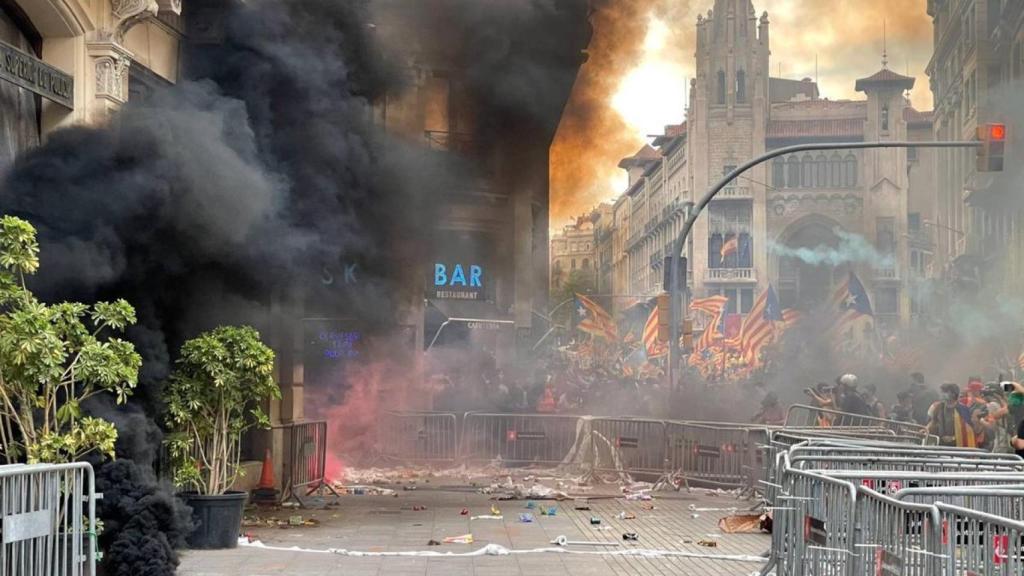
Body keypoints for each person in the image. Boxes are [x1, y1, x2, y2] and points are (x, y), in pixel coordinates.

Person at [927, 383, 980, 448]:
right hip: (939, 444)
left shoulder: (962, 409)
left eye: (945, 392)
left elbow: (968, 430)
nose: (942, 394)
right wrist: (926, 429)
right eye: (942, 392)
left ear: (953, 394)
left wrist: (953, 438)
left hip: (957, 445)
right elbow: (933, 422)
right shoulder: (938, 407)